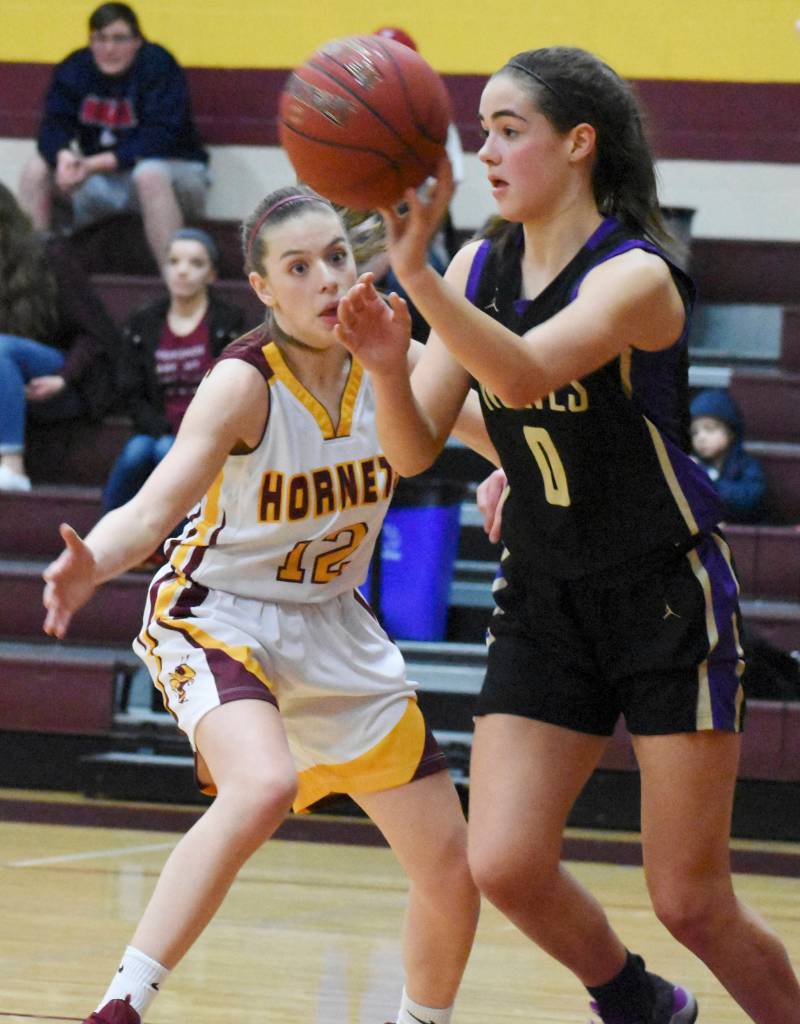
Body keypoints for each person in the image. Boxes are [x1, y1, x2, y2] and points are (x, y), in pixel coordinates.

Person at [334, 45, 800, 1024]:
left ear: (578, 143)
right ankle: (641, 1005)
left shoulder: (636, 275)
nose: (485, 151)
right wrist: (384, 364)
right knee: (503, 861)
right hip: (546, 589)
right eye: (481, 131)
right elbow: (413, 448)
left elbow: (520, 376)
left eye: (509, 131)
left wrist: (415, 278)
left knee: (689, 900)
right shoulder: (477, 266)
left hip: (663, 592)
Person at [42, 184, 495, 1024]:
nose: (325, 279)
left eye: (336, 257)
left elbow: (497, 433)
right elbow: (152, 508)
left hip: (336, 624)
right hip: (221, 612)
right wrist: (92, 562)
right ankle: (120, 1006)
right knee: (261, 786)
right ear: (262, 288)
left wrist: (514, 474)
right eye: (298, 266)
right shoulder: (242, 382)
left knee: (451, 864)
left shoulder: (387, 354)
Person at [18, 2, 209, 270]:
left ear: (138, 41)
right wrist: (63, 156)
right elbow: (52, 126)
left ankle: (175, 280)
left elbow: (162, 137)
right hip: (101, 179)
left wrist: (93, 164)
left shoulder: (157, 64)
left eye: (119, 39)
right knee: (36, 168)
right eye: (100, 39)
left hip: (173, 174)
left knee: (149, 173)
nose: (109, 49)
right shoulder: (76, 67)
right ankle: (32, 273)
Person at [102, 228, 245, 513]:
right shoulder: (143, 323)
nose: (183, 271)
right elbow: (130, 388)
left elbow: (235, 385)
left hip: (206, 430)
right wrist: (157, 426)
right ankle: (102, 533)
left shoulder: (228, 322)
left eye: (196, 263)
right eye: (174, 261)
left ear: (211, 275)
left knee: (166, 451)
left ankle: (178, 537)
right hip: (156, 427)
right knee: (137, 452)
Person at [0, 183, 120, 492]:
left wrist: (64, 377)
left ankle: (12, 465)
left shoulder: (49, 256)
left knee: (1, 348)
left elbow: (95, 333)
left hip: (62, 378)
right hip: (10, 386)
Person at [689, 388, 767, 524]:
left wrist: (708, 480)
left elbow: (750, 497)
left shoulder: (746, 465)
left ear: (730, 433)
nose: (701, 437)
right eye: (695, 432)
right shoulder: (695, 466)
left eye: (709, 429)